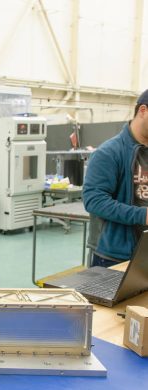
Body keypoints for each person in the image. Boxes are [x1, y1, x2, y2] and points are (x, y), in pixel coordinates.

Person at [83, 89, 148, 267]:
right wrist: (143, 215)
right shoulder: (109, 152)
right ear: (143, 110)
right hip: (114, 255)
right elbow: (94, 200)